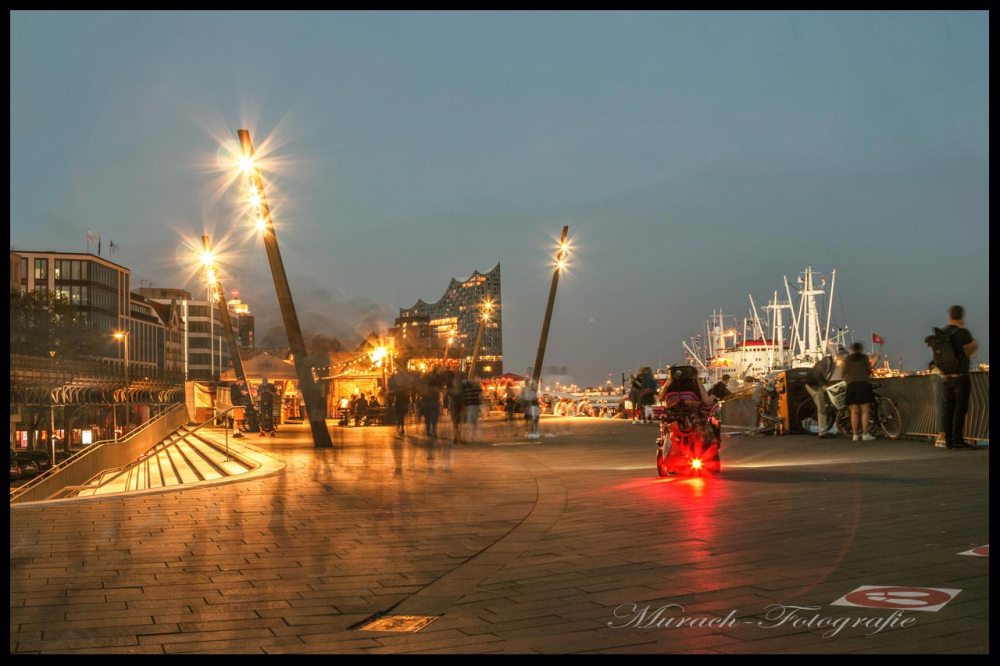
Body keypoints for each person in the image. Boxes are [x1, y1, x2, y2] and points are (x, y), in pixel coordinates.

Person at [933, 305, 979, 450]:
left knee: (949, 409)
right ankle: (957, 440)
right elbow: (972, 348)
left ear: (950, 316)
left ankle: (949, 441)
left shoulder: (943, 332)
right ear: (962, 316)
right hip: (960, 376)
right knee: (960, 409)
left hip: (946, 376)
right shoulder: (962, 332)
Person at [803, 345, 845, 439]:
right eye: (841, 359)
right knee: (822, 406)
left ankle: (836, 428)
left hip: (820, 383)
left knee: (833, 403)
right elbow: (816, 373)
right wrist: (823, 384)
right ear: (837, 357)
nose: (842, 362)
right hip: (813, 384)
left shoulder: (836, 364)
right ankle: (822, 432)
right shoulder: (827, 361)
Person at [843, 342, 878, 442]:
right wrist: (874, 363)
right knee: (865, 411)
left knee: (854, 412)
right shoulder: (864, 358)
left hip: (852, 385)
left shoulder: (848, 359)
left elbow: (843, 373)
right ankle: (865, 434)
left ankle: (855, 435)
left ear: (852, 349)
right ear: (861, 349)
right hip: (863, 385)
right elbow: (868, 371)